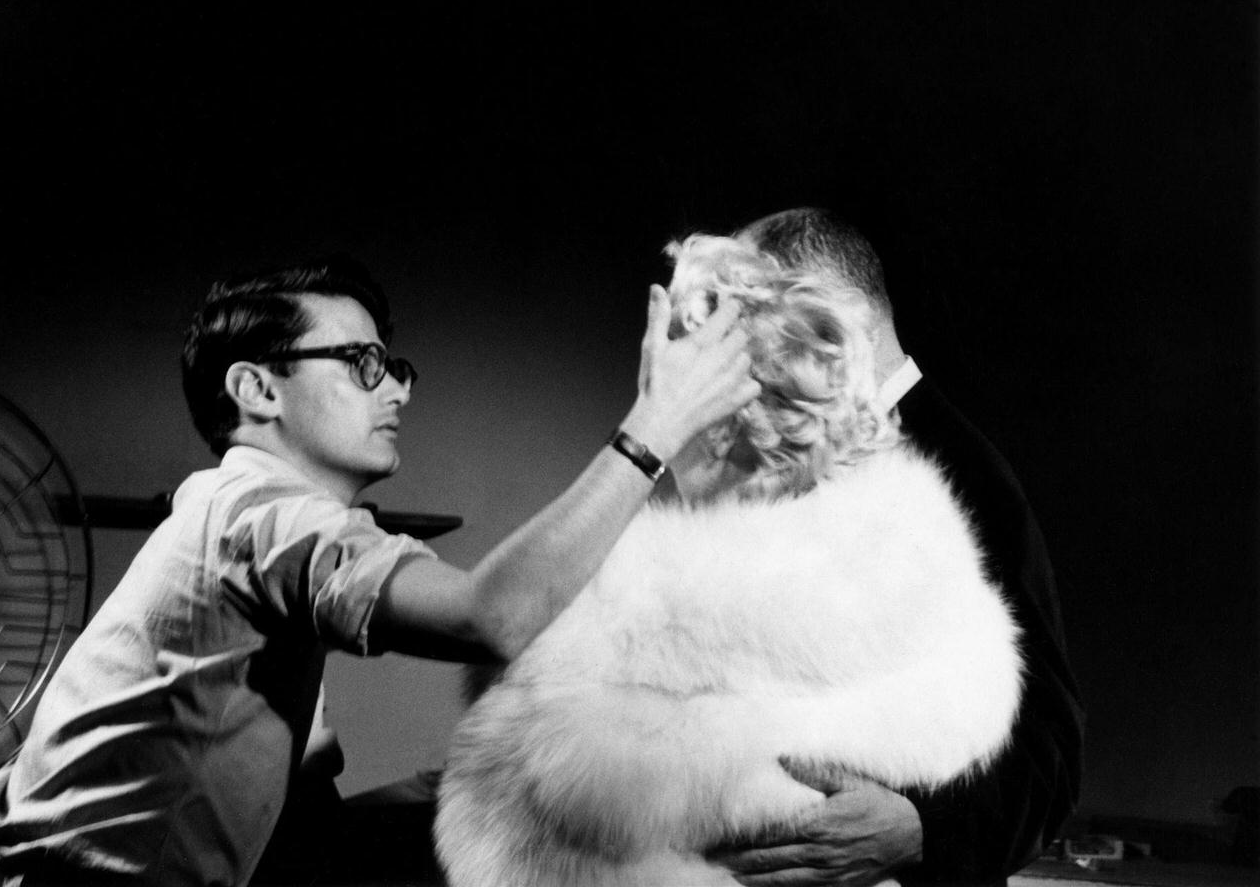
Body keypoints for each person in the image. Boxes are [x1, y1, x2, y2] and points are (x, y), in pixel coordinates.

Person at [0, 253, 759, 887]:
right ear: (255, 388)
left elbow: (304, 818)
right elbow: (490, 619)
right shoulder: (264, 515)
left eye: (393, 365)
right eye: (361, 363)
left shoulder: (228, 515)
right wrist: (658, 424)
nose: (396, 391)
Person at [432, 230, 1025, 887]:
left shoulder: (595, 634)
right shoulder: (931, 584)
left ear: (718, 422)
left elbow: (496, 834)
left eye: (678, 377)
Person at [709, 207, 1085, 887]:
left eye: (750, 320)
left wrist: (922, 831)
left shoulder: (964, 481)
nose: (735, 353)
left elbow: (1050, 754)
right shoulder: (788, 466)